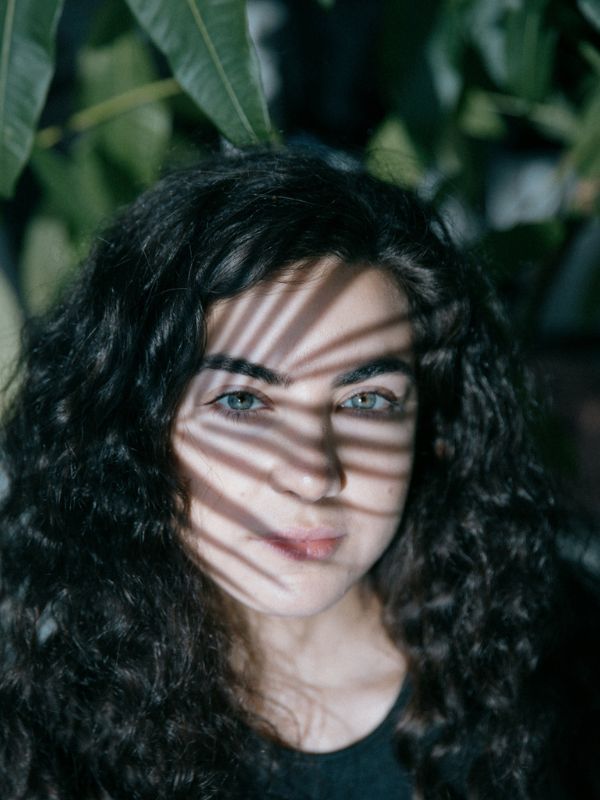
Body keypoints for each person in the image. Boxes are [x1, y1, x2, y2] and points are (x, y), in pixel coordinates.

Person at [0, 147, 596, 800]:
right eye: (243, 401)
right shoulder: (43, 731)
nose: (312, 475)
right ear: (140, 428)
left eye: (366, 402)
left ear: (432, 433)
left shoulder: (563, 678)